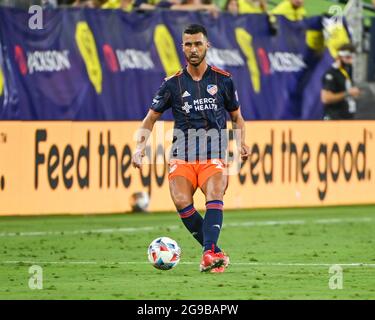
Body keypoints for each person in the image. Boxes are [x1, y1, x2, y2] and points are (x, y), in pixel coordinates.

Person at [132, 24, 250, 273]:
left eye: (198, 43)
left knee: (214, 196)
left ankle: (208, 254)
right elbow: (150, 118)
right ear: (182, 48)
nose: (193, 49)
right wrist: (139, 148)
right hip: (182, 155)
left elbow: (236, 117)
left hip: (214, 153)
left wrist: (242, 143)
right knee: (181, 201)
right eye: (188, 44)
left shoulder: (224, 80)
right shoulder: (172, 84)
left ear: (207, 45)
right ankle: (215, 253)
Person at [321, 43, 361, 120]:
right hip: (335, 118)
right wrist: (348, 93)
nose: (351, 61)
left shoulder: (348, 70)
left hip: (347, 116)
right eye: (348, 57)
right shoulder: (331, 74)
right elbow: (326, 98)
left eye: (352, 58)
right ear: (339, 57)